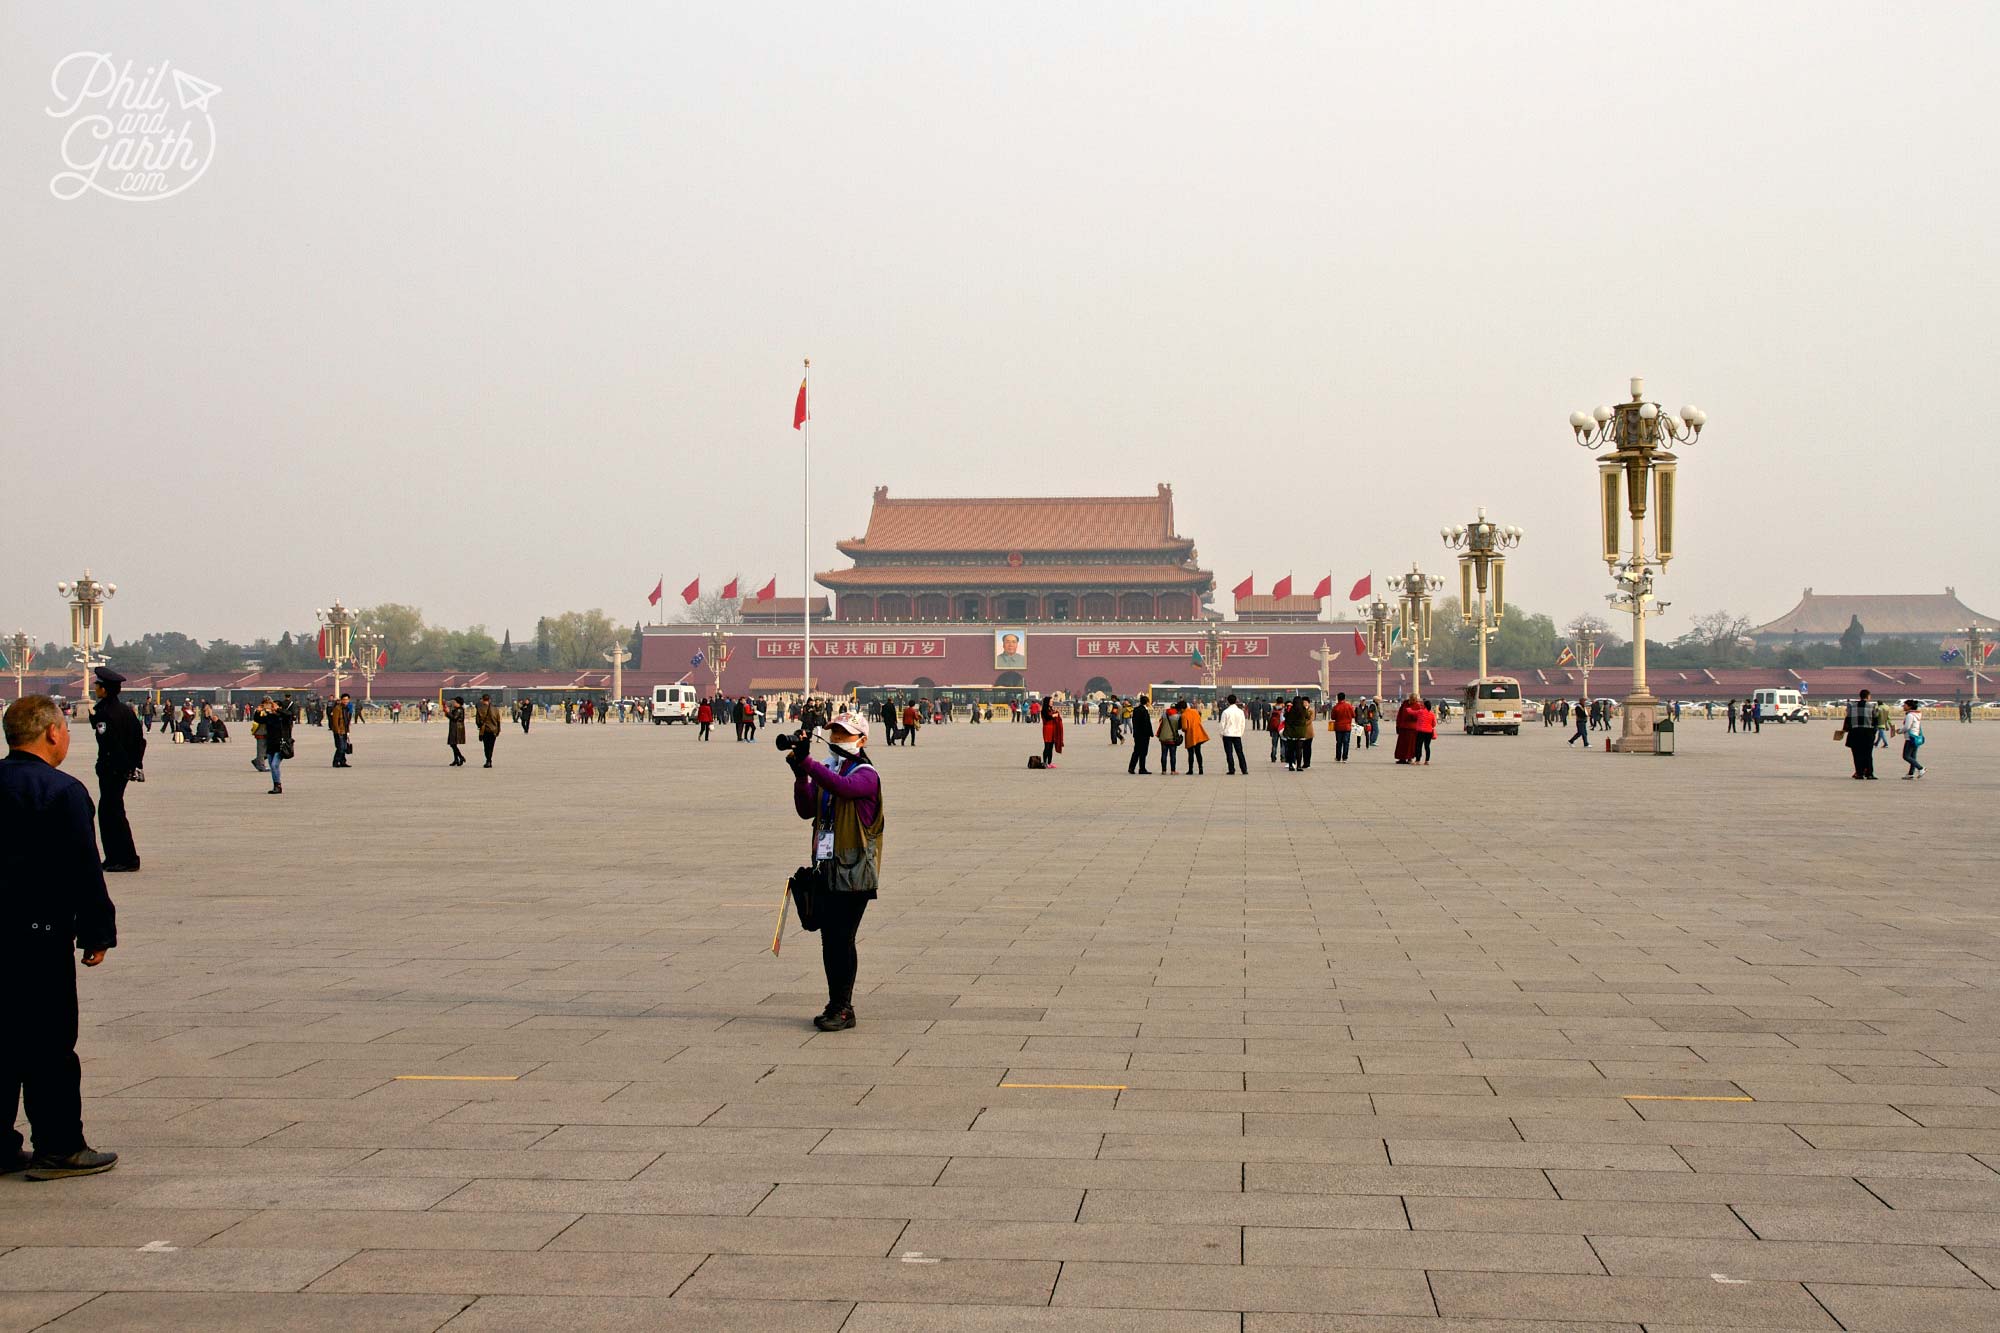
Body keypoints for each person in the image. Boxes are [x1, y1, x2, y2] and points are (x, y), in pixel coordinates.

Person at [0, 695, 120, 1180]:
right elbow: (81, 869)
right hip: (36, 937)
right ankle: (59, 1146)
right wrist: (97, 930)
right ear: (52, 733)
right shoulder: (61, 791)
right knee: (48, 1043)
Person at [789, 713, 882, 1032]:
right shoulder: (828, 771)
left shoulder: (867, 774)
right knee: (831, 939)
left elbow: (843, 789)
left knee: (843, 937)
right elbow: (806, 809)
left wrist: (809, 765)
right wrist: (801, 776)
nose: (838, 737)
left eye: (845, 733)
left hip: (855, 870)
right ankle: (836, 1003)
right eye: (835, 732)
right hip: (828, 866)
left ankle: (843, 1007)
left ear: (862, 740)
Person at [87, 667, 144, 873]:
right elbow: (139, 740)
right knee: (113, 811)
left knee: (111, 813)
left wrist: (121, 766)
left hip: (112, 769)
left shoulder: (105, 714)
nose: (95, 688)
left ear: (105, 689)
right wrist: (135, 765)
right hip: (122, 769)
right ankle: (115, 857)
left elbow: (110, 744)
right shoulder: (126, 711)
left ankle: (125, 857)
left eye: (97, 685)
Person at [1838, 689, 1883, 780]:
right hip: (1868, 733)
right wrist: (1874, 732)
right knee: (1868, 754)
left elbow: (1848, 719)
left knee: (1857, 754)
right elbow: (1875, 721)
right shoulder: (1873, 706)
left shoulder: (1851, 706)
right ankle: (1869, 773)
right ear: (1868, 696)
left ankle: (1859, 773)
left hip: (1855, 732)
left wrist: (1844, 730)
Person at [259, 696, 294, 794]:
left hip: (281, 745)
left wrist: (278, 709)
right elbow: (259, 720)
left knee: (274, 765)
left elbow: (289, 714)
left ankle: (278, 785)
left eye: (274, 705)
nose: (272, 707)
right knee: (272, 765)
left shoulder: (283, 718)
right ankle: (276, 784)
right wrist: (259, 711)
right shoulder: (270, 717)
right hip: (271, 745)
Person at [1218, 694, 1247, 775]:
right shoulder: (1240, 711)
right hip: (1237, 735)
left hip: (1227, 735)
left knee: (1229, 753)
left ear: (1227, 701)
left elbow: (1222, 724)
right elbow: (1243, 724)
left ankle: (1231, 769)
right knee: (1240, 752)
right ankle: (1244, 769)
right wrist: (1240, 733)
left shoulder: (1226, 712)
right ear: (1236, 701)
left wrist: (1221, 734)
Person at [1899, 699, 1927, 779]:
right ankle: (1911, 773)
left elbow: (1907, 727)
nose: (1903, 706)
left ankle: (1921, 768)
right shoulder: (1917, 714)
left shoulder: (1910, 715)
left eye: (1905, 705)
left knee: (1906, 756)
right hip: (1916, 736)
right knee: (1913, 756)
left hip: (1910, 737)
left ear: (1909, 706)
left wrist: (1899, 731)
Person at [1180, 700, 1207, 775]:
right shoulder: (1195, 711)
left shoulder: (1184, 715)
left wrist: (1182, 728)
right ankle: (1201, 769)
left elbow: (1184, 727)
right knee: (1198, 752)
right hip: (1198, 734)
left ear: (1182, 708)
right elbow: (1199, 720)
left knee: (1191, 753)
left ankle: (1190, 770)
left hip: (1190, 736)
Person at [1127, 698, 1153, 774]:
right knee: (1143, 752)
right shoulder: (1144, 711)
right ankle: (1142, 768)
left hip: (1137, 734)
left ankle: (1131, 768)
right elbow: (1146, 724)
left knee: (1136, 751)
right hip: (1144, 735)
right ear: (1147, 702)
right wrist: (1149, 733)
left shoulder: (1136, 710)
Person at [476, 693, 502, 768]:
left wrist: (479, 726)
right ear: (489, 700)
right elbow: (498, 720)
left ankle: (488, 760)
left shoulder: (480, 709)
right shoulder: (495, 709)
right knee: (491, 746)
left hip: (485, 730)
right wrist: (498, 730)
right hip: (493, 730)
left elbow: (477, 721)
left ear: (482, 700)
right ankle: (489, 760)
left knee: (486, 746)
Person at [328, 692, 353, 767]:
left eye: (347, 699)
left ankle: (342, 761)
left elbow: (347, 721)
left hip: (345, 730)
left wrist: (348, 731)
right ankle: (335, 762)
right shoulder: (337, 708)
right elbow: (335, 721)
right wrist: (337, 731)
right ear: (341, 700)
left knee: (344, 747)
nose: (345, 701)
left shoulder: (347, 709)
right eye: (344, 699)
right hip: (339, 731)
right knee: (340, 747)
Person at [1156, 701, 1181, 774]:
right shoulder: (1178, 716)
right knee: (1172, 755)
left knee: (1164, 754)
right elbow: (1179, 727)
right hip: (1172, 738)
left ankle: (1164, 771)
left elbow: (1161, 722)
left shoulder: (1164, 714)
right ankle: (1173, 771)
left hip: (1163, 737)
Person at [1331, 691, 1355, 762]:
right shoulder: (1349, 706)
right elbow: (1353, 715)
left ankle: (1338, 757)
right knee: (1346, 742)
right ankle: (1345, 757)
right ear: (1344, 698)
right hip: (1347, 727)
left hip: (1338, 727)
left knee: (1339, 742)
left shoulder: (1336, 707)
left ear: (1338, 698)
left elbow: (1333, 717)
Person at [445, 697, 468, 766]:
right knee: (453, 744)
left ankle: (460, 757)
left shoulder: (459, 710)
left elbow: (454, 718)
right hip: (454, 728)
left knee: (453, 744)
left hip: (457, 729)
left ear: (458, 703)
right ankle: (456, 759)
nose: (453, 703)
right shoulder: (456, 709)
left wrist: (448, 712)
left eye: (455, 702)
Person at [1041, 700, 1064, 768]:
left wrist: (1056, 713)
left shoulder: (1051, 709)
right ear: (1047, 702)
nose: (1052, 702)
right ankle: (1045, 762)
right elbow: (1047, 718)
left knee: (1051, 747)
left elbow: (1055, 716)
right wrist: (1054, 715)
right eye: (1051, 701)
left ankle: (1049, 763)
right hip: (1047, 728)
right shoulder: (1044, 710)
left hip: (1053, 729)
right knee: (1047, 746)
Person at [1414, 697, 1436, 765]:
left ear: (1425, 705)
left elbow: (1412, 712)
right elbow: (1434, 724)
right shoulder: (1432, 714)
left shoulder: (1421, 712)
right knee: (1427, 746)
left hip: (1421, 731)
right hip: (1429, 732)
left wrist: (1408, 709)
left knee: (1418, 746)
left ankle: (1418, 760)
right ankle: (1427, 760)